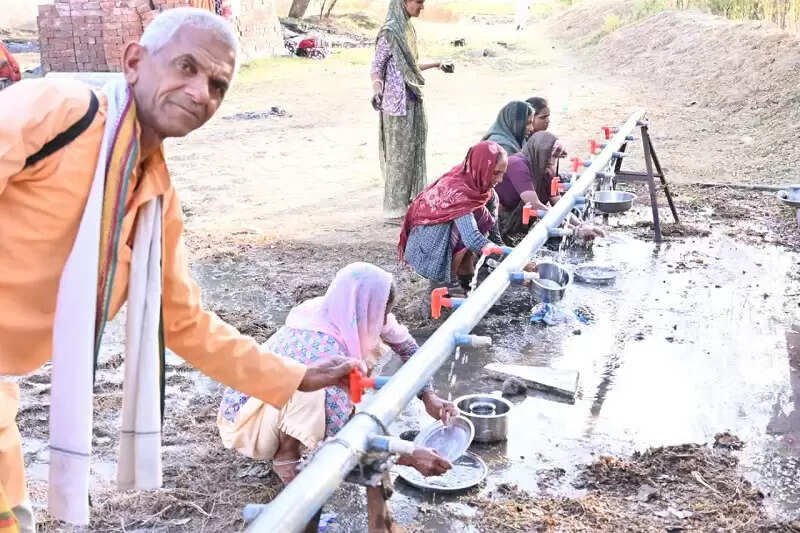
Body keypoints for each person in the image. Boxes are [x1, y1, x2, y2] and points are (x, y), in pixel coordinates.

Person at [0, 8, 357, 530]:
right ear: (133, 62)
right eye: (185, 67)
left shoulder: (153, 201)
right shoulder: (58, 110)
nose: (199, 93)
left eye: (217, 84)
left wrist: (294, 376)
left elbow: (184, 323)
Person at [218, 262, 457, 533]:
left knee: (338, 398)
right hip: (248, 419)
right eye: (382, 313)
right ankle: (288, 464)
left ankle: (380, 522)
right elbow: (342, 440)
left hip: (269, 402)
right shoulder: (324, 349)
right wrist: (408, 455)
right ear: (365, 306)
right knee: (313, 399)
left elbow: (408, 347)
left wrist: (429, 396)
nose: (383, 321)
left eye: (385, 313)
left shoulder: (349, 310)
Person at [371, 0, 453, 222]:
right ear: (403, 2)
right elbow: (376, 69)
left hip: (413, 100)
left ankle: (408, 203)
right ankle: (394, 210)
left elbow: (410, 66)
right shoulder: (390, 32)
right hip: (395, 106)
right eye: (418, 2)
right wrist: (377, 91)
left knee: (413, 153)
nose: (422, 7)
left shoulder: (407, 28)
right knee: (399, 158)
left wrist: (437, 64)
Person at [399, 141, 508, 293]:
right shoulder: (458, 192)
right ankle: (443, 284)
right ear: (482, 167)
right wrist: (511, 260)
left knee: (481, 215)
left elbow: (493, 232)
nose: (500, 179)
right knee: (472, 220)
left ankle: (465, 275)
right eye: (496, 173)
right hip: (428, 250)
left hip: (443, 243)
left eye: (503, 173)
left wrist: (507, 253)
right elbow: (472, 239)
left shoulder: (484, 190)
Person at [495, 131, 604, 241]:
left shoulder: (545, 170)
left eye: (556, 157)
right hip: (497, 222)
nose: (552, 161)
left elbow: (559, 206)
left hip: (517, 227)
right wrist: (574, 231)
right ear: (537, 152)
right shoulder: (517, 165)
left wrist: (582, 225)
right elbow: (533, 204)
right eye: (548, 156)